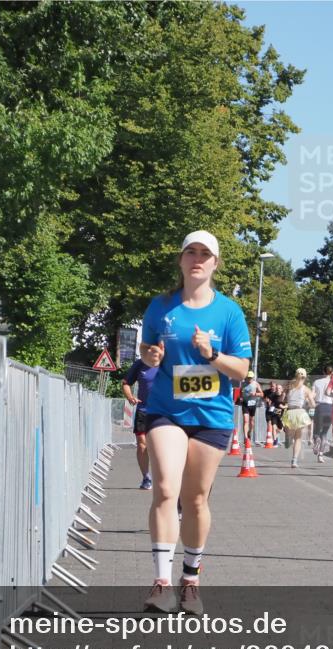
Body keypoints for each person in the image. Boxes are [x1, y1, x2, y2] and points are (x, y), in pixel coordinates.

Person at [139, 230, 251, 616]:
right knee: (166, 489)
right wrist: (151, 356)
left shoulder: (229, 312)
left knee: (196, 498)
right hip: (167, 410)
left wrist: (211, 353)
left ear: (215, 264)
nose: (198, 259)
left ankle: (191, 580)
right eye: (191, 252)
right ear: (181, 261)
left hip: (211, 416)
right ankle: (161, 584)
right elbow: (147, 347)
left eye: (205, 254)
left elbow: (241, 370)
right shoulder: (162, 306)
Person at [121, 358, 159, 490]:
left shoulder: (169, 360)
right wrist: (130, 397)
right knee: (142, 444)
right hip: (143, 410)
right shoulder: (140, 364)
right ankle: (146, 477)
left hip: (164, 411)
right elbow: (126, 383)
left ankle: (164, 476)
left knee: (159, 446)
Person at [283, 368, 316, 468]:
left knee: (291, 434)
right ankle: (294, 460)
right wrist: (311, 403)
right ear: (305, 377)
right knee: (298, 437)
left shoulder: (289, 386)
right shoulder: (306, 389)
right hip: (300, 412)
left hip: (290, 412)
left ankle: (288, 437)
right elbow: (312, 404)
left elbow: (282, 398)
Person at [311, 365, 333, 462]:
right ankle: (321, 455)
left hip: (319, 406)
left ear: (323, 372)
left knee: (316, 431)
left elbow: (313, 395)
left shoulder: (317, 382)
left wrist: (310, 402)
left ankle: (316, 440)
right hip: (330, 407)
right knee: (325, 433)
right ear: (332, 373)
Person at [237, 370, 263, 444]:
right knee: (245, 420)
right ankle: (245, 438)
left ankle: (249, 432)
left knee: (251, 421)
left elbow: (262, 394)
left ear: (253, 378)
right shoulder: (243, 384)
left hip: (253, 404)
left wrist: (255, 393)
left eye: (251, 378)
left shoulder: (256, 384)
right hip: (245, 404)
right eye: (248, 378)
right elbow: (240, 392)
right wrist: (241, 398)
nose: (249, 379)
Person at [263, 382, 285, 447]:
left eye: (279, 388)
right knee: (273, 427)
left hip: (281, 415)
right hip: (274, 414)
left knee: (280, 429)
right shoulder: (273, 395)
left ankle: (278, 434)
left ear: (281, 389)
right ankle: (275, 441)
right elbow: (269, 401)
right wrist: (269, 402)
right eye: (277, 388)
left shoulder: (283, 396)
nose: (278, 389)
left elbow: (287, 404)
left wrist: (284, 406)